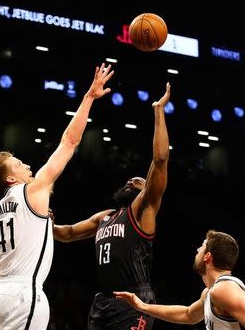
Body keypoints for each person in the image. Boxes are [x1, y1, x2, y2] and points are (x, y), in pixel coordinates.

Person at [0, 63, 114, 330]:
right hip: (22, 294)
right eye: (18, 164)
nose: (26, 165)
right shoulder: (33, 190)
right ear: (11, 178)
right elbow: (69, 142)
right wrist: (89, 97)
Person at [53, 82, 171, 330]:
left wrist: (158, 111)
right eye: (130, 179)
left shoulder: (142, 211)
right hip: (103, 301)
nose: (132, 180)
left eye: (139, 181)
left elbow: (160, 160)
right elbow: (70, 233)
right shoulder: (105, 217)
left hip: (134, 300)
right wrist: (45, 223)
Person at [114, 230, 245, 330]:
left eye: (202, 246)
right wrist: (143, 307)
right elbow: (188, 314)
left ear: (207, 256)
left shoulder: (224, 289)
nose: (197, 249)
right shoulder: (211, 292)